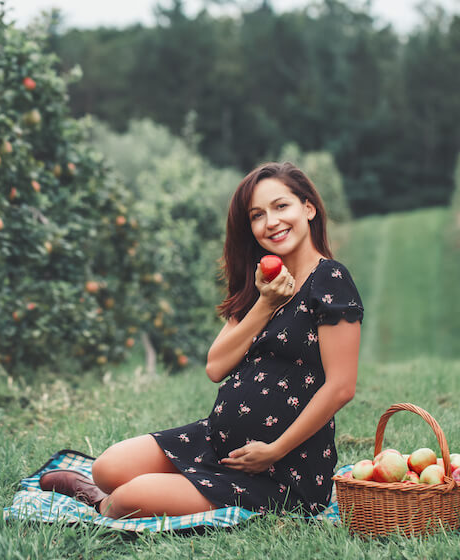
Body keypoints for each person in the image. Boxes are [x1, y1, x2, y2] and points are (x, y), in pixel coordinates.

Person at [39, 162, 363, 518]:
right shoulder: (263, 283)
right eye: (257, 215)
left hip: (283, 468)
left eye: (281, 206)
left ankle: (100, 500)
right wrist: (266, 302)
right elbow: (215, 366)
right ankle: (153, 484)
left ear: (308, 208)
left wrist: (274, 450)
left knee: (125, 499)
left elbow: (341, 387)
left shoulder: (330, 278)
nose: (270, 222)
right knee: (106, 468)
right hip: (217, 442)